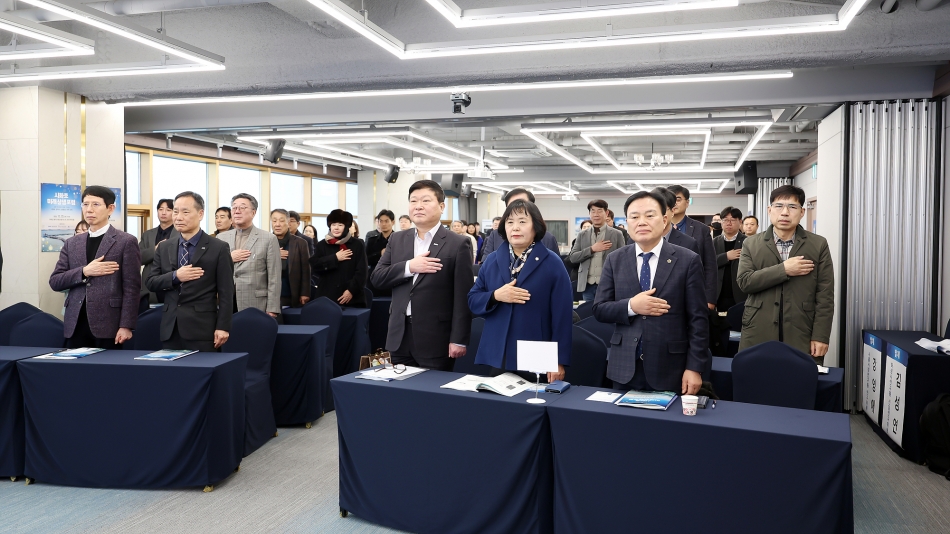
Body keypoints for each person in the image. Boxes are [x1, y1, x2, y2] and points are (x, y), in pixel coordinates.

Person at [592, 191, 708, 394]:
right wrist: (631, 307)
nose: (641, 222)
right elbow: (600, 309)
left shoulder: (687, 260)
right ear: (626, 222)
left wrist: (694, 367)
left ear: (664, 220)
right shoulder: (615, 259)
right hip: (624, 366)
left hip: (670, 367)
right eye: (634, 217)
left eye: (649, 215)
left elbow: (698, 320)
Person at [370, 179, 473, 371]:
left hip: (436, 337)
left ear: (441, 206)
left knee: (431, 396)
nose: (418, 206)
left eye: (425, 201)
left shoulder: (458, 243)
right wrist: (410, 266)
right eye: (413, 201)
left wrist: (459, 339)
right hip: (398, 335)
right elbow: (377, 278)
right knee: (399, 394)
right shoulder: (398, 238)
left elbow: (462, 296)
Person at [468, 200, 572, 381]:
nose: (515, 227)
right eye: (510, 222)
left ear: (535, 226)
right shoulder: (492, 260)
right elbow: (473, 300)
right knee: (499, 406)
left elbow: (562, 316)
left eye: (522, 222)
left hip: (537, 351)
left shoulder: (552, 263)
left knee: (534, 404)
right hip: (500, 351)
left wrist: (558, 359)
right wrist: (495, 296)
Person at [737, 185, 834, 364]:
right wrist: (784, 269)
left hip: (802, 331)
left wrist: (821, 335)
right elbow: (745, 282)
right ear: (769, 210)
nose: (785, 212)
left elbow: (825, 295)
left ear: (802, 212)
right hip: (758, 329)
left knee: (800, 386)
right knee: (756, 385)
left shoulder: (818, 245)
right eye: (779, 206)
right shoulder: (751, 244)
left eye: (792, 207)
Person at [49, 186, 141, 349]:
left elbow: (132, 287)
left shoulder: (125, 241)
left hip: (109, 323)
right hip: (75, 322)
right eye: (85, 204)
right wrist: (84, 272)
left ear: (110, 208)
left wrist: (126, 325)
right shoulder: (72, 243)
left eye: (96, 204)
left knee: (107, 372)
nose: (89, 209)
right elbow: (55, 281)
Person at [146, 192, 234, 352]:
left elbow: (226, 291)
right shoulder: (165, 246)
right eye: (176, 212)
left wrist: (223, 326)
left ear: (200, 214)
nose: (178, 217)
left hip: (202, 328)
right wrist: (175, 276)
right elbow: (151, 282)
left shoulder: (218, 247)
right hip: (171, 327)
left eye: (185, 212)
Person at [217, 193, 281, 317]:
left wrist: (272, 308)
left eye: (242, 207)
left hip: (256, 302)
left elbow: (274, 276)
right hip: (227, 301)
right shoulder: (221, 237)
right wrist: (229, 258)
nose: (237, 211)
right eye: (234, 208)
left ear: (253, 212)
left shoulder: (268, 238)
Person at [667, 185, 718, 311]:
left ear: (687, 202)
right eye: (670, 199)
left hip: (694, 291)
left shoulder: (701, 230)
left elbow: (710, 265)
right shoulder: (656, 228)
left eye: (678, 199)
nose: (674, 203)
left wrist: (709, 299)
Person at [568, 199, 625, 302]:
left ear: (606, 213)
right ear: (589, 214)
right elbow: (573, 257)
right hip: (587, 285)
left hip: (608, 284)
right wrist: (592, 249)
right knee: (588, 314)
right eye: (593, 211)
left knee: (607, 315)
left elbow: (623, 260)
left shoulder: (617, 234)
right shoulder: (582, 234)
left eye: (599, 211)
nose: (596, 214)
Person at [480, 188, 559, 261]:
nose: (516, 207)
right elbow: (485, 266)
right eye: (512, 205)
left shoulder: (548, 239)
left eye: (521, 203)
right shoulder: (495, 236)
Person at [312, 209, 368, 307]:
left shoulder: (357, 244)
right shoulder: (322, 244)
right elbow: (315, 266)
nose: (336, 228)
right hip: (327, 297)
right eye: (333, 225)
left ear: (346, 226)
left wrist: (351, 290)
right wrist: (335, 258)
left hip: (352, 298)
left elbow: (362, 271)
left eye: (340, 225)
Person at [711, 207, 746, 356]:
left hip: (740, 294)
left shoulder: (748, 242)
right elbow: (706, 264)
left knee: (739, 333)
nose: (728, 223)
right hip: (718, 295)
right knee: (719, 332)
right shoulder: (714, 242)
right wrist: (726, 256)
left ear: (740, 222)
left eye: (733, 220)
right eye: (725, 220)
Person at [139, 199, 179, 305]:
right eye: (160, 209)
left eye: (168, 209)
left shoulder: (181, 233)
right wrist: (155, 250)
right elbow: (138, 257)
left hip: (172, 281)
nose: (164, 212)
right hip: (150, 281)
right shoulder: (148, 234)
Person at [272, 209, 312, 309]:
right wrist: (274, 254)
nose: (277, 224)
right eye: (274, 221)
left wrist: (305, 292)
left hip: (292, 291)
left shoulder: (300, 242)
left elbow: (306, 269)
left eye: (281, 221)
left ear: (288, 222)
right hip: (270, 292)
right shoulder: (265, 241)